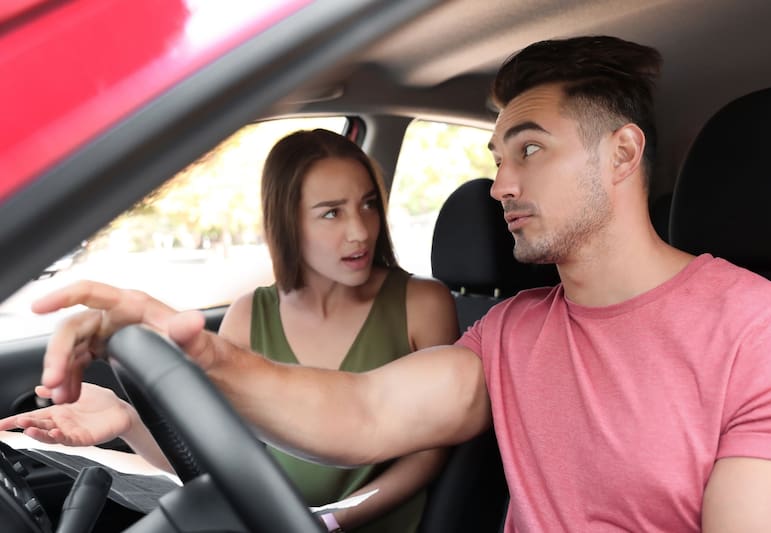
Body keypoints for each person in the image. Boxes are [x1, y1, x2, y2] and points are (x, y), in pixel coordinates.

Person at [3, 35, 771, 532]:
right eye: (496, 159)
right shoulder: (513, 332)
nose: (499, 186)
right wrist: (197, 351)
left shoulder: (768, 334)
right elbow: (364, 410)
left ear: (623, 154)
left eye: (528, 150)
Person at [3, 129, 458, 533]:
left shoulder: (422, 303)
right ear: (288, 221)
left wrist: (334, 518)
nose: (360, 230)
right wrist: (128, 420)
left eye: (368, 205)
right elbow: (213, 456)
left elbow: (430, 452)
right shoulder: (248, 314)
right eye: (331, 213)